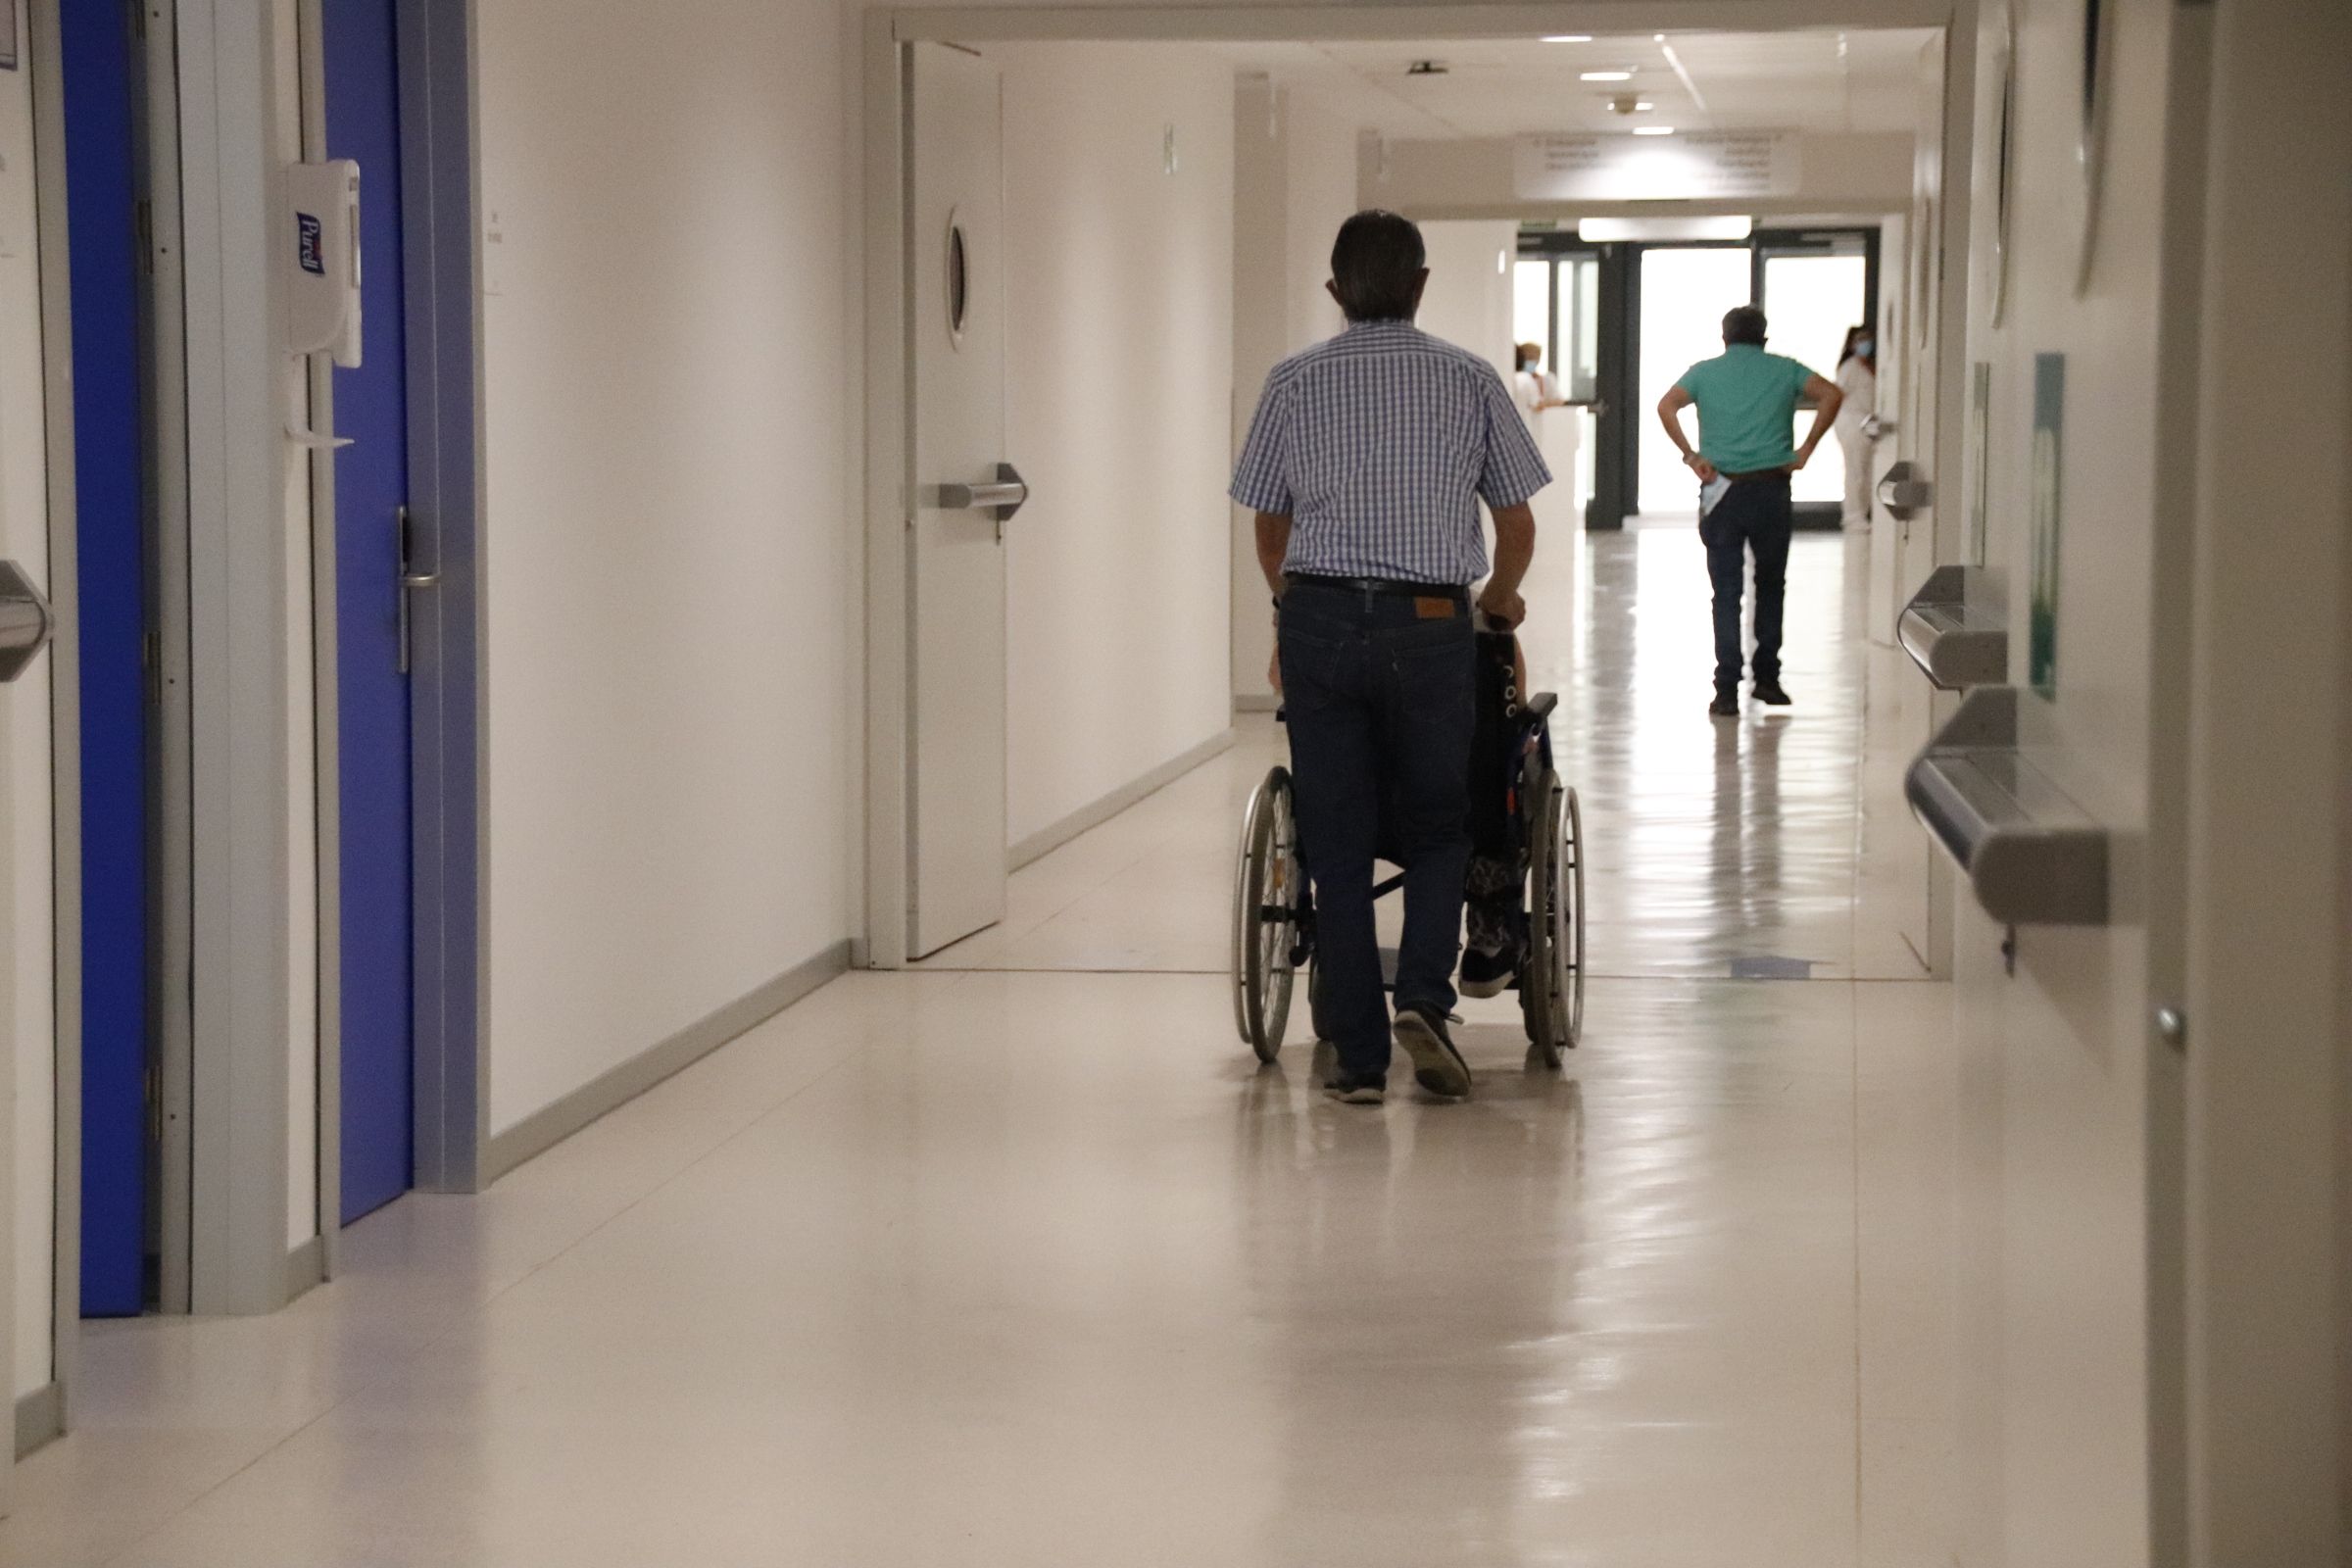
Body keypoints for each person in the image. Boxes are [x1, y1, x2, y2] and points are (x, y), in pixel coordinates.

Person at [1232, 210, 1550, 1106]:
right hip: (1429, 623)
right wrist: (1497, 603)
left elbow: (1269, 523)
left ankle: (1360, 1059)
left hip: (1323, 616)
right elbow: (1517, 524)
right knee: (1438, 822)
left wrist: (1292, 611)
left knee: (1335, 838)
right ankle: (1423, 998)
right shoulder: (1470, 376)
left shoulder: (1292, 381)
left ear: (1336, 292)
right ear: (1420, 285)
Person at [1656, 304, 1843, 716]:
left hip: (1720, 491)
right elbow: (1832, 393)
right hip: (1771, 489)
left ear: (1724, 338)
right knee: (1771, 583)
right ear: (1764, 337)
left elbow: (1666, 405)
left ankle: (1726, 690)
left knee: (1725, 592)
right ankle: (1768, 680)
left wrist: (1691, 455)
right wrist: (1807, 448)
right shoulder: (1785, 369)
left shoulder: (1704, 372)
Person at [1833, 325, 1878, 532]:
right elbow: (1837, 394)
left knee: (1864, 470)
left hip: (1866, 422)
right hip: (1851, 422)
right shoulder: (1849, 368)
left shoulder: (1870, 367)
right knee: (1855, 470)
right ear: (1852, 344)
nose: (1865, 344)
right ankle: (1853, 516)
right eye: (1861, 340)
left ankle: (1862, 512)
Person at [1514, 342, 1566, 437]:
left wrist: (1544, 404)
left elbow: (1559, 400)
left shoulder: (1547, 379)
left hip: (1538, 425)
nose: (1531, 361)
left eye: (1535, 358)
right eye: (1528, 357)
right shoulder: (1521, 379)